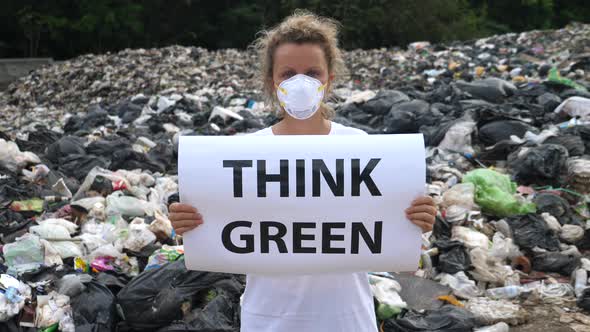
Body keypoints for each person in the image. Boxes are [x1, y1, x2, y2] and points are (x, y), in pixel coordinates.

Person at [169, 11, 437, 332]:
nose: (301, 83)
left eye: (312, 72)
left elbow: (384, 232)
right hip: (268, 320)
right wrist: (190, 223)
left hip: (347, 318)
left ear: (329, 79)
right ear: (272, 82)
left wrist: (415, 220)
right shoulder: (245, 154)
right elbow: (223, 227)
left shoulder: (360, 147)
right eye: (288, 74)